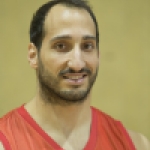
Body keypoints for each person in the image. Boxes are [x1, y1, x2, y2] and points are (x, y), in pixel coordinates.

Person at [0, 0, 149, 149]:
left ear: (98, 54)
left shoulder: (136, 144)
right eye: (61, 46)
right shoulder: (5, 141)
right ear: (33, 56)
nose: (77, 64)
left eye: (87, 46)